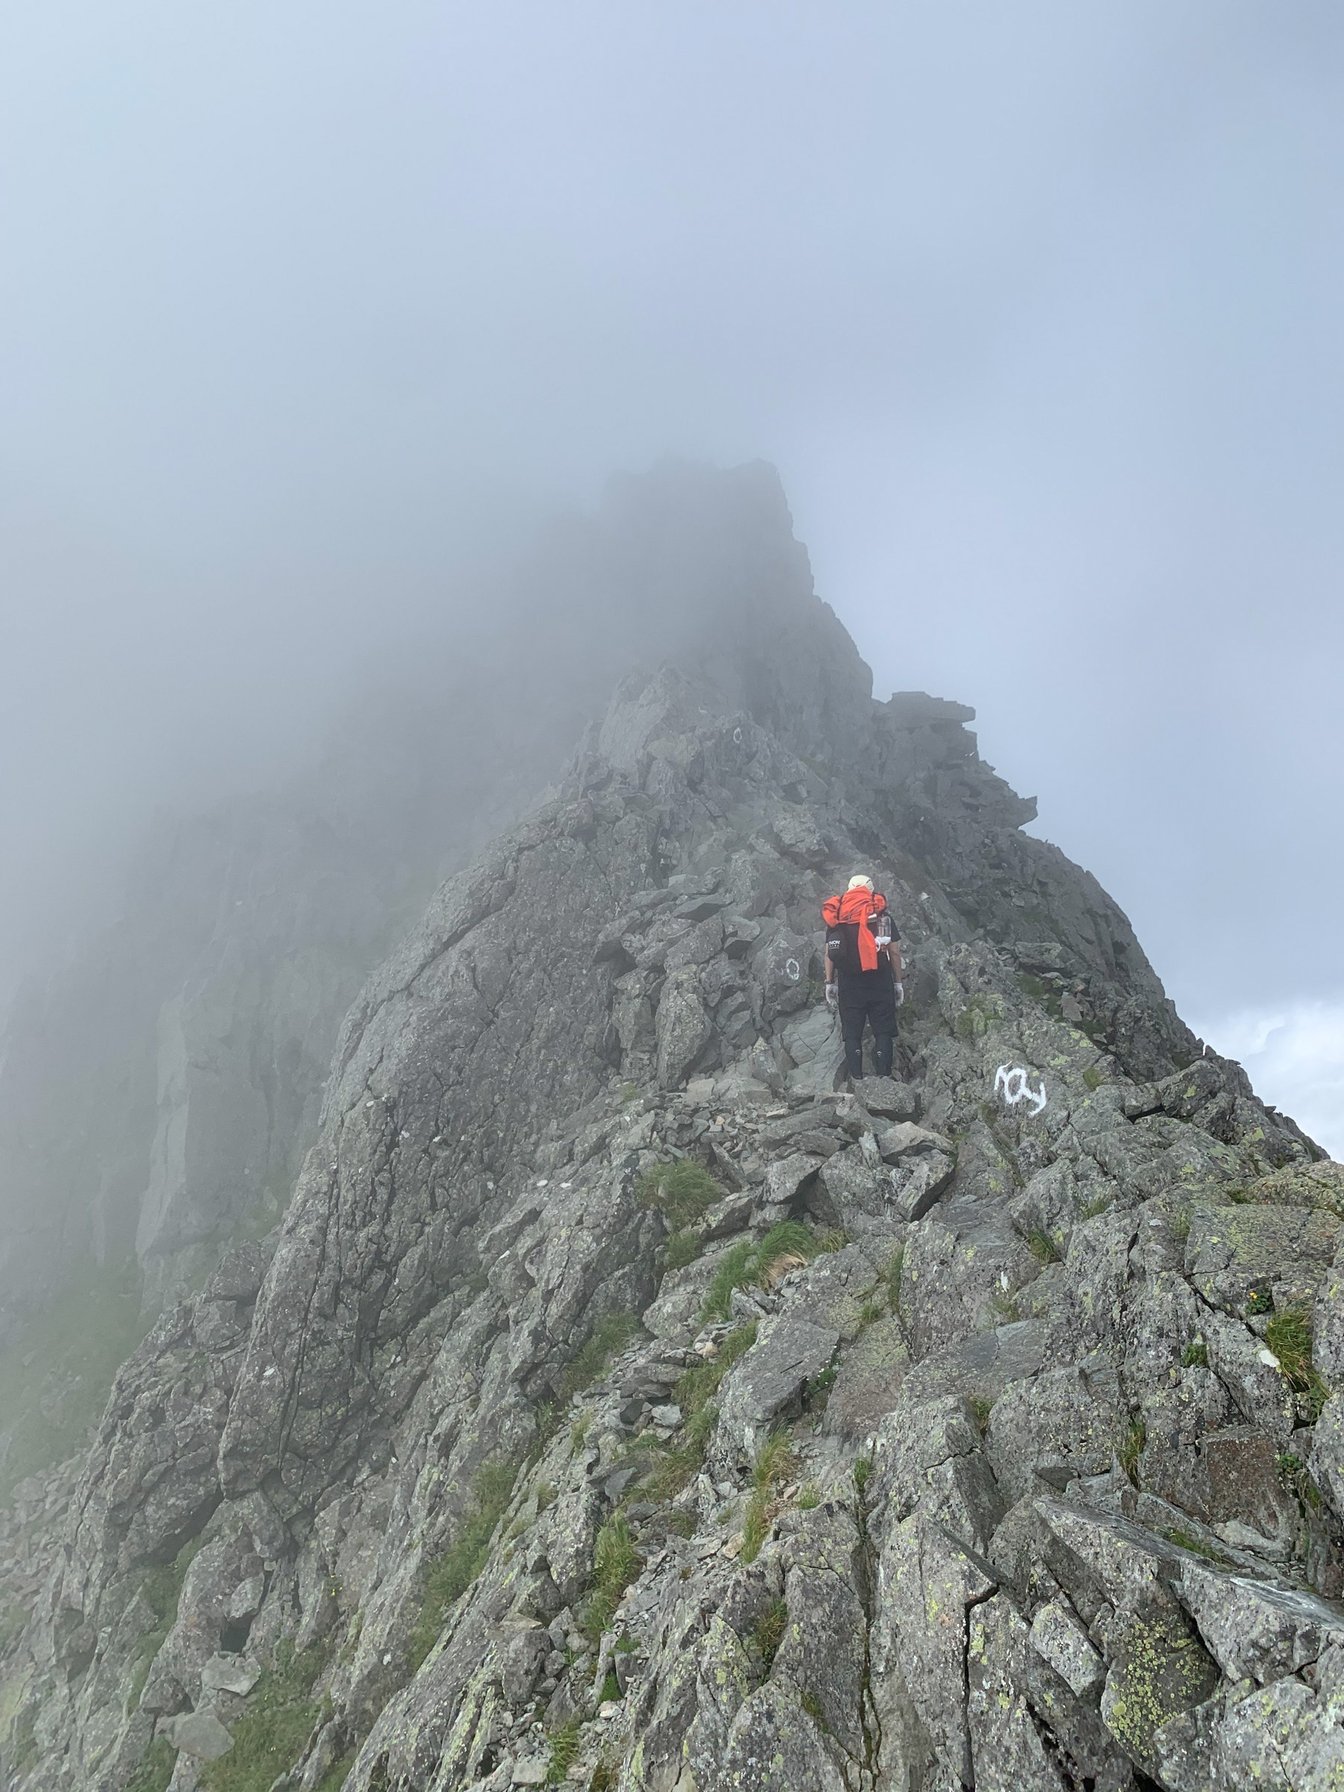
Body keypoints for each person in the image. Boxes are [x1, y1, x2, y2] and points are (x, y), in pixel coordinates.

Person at [821, 874, 904, 1081]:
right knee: (883, 1030)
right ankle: (884, 1078)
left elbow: (829, 954)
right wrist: (898, 983)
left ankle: (857, 1079)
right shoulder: (882, 916)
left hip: (849, 982)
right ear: (871, 890)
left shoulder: (837, 918)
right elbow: (894, 952)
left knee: (852, 1032)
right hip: (879, 979)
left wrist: (829, 983)